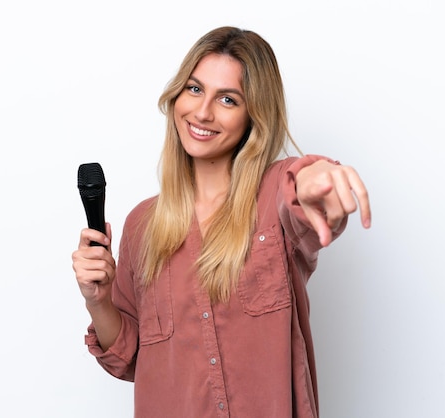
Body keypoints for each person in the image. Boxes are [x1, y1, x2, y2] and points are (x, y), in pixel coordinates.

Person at [72, 26, 371, 418]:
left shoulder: (274, 193)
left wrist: (318, 177)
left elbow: (302, 195)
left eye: (227, 99)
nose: (202, 112)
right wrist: (98, 302)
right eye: (194, 89)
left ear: (254, 116)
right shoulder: (143, 224)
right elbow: (130, 358)